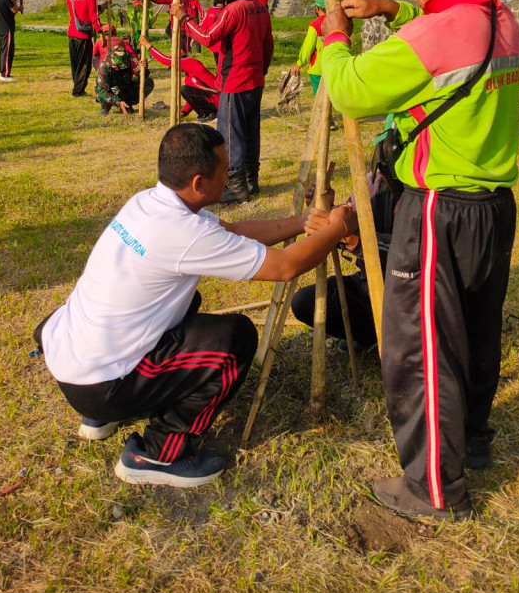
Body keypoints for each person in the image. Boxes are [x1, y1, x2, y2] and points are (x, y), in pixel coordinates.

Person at [320, 0, 519, 524]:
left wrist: (335, 40)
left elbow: (351, 92)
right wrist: (387, 7)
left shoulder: (436, 33)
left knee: (424, 350)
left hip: (438, 209)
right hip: (494, 206)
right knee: (477, 333)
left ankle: (433, 488)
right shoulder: (499, 18)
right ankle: (475, 440)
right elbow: (445, 34)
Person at [32, 122, 357, 487]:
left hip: (72, 354)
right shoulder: (183, 233)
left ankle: (104, 415)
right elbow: (286, 267)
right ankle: (155, 452)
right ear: (200, 183)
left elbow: (232, 232)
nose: (230, 173)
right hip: (101, 384)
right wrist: (339, 226)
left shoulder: (148, 202)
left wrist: (300, 223)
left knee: (187, 301)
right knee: (232, 343)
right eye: (225, 169)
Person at [175, 0, 273, 203]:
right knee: (250, 131)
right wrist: (262, 71)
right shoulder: (260, 8)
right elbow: (268, 45)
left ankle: (237, 187)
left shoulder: (234, 10)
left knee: (230, 133)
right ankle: (251, 181)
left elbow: (207, 38)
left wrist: (185, 19)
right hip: (255, 79)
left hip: (235, 80)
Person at [293, 172, 395, 352]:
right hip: (369, 288)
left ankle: (400, 339)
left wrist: (354, 239)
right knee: (305, 302)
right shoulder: (371, 182)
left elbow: (413, 254)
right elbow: (347, 218)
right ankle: (371, 335)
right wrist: (326, 212)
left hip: (414, 296)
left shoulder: (431, 191)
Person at [140, 36, 220, 123]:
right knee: (186, 90)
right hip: (213, 101)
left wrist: (148, 46)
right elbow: (193, 99)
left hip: (218, 100)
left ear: (180, 52)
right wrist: (182, 113)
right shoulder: (188, 77)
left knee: (184, 89)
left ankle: (210, 114)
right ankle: (208, 114)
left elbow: (164, 60)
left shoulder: (190, 62)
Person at [66, 0, 107, 98]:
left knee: (75, 63)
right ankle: (77, 91)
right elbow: (94, 17)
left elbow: (80, 11)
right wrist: (101, 33)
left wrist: (103, 6)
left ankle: (78, 87)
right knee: (85, 64)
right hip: (83, 36)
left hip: (72, 33)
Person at [95, 43, 154, 117]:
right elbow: (103, 90)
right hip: (110, 92)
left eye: (120, 67)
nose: (118, 69)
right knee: (115, 89)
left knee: (148, 82)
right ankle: (105, 107)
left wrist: (144, 68)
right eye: (116, 66)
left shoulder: (129, 61)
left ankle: (128, 104)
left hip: (125, 87)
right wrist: (119, 102)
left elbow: (142, 77)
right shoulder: (103, 68)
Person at [291, 0, 326, 95]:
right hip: (335, 67)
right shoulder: (338, 22)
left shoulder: (315, 24)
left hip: (318, 69)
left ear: (317, 9)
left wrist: (300, 63)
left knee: (319, 98)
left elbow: (308, 47)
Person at [198, 0, 227, 67]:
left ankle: (219, 76)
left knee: (218, 64)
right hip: (226, 44)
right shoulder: (228, 11)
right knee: (225, 65)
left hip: (214, 43)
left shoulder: (209, 11)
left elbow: (201, 26)